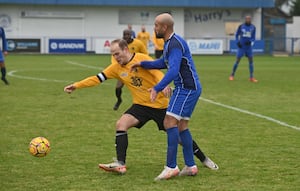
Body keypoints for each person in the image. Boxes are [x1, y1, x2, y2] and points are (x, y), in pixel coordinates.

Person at [64, 39, 218, 175]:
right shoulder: (115, 67)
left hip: (160, 106)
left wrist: (162, 86)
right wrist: (76, 85)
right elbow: (97, 78)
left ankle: (204, 159)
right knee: (121, 124)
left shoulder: (141, 59)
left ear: (126, 49)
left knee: (179, 137)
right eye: (112, 54)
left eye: (117, 53)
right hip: (140, 106)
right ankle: (120, 164)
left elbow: (157, 73)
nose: (115, 58)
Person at [132, 13, 204, 180]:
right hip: (187, 88)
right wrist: (142, 64)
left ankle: (171, 167)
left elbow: (172, 70)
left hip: (187, 89)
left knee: (169, 122)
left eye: (156, 25)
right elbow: (163, 63)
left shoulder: (175, 44)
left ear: (164, 27)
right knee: (181, 126)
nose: (154, 28)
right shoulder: (170, 43)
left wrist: (157, 88)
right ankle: (191, 166)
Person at [113, 29, 147, 111]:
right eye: (125, 35)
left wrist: (140, 64)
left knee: (140, 87)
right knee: (118, 87)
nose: (126, 36)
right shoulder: (120, 45)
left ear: (131, 35)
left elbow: (145, 54)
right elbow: (114, 57)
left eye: (128, 34)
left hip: (137, 70)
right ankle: (119, 100)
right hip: (124, 70)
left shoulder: (138, 43)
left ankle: (141, 104)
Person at [229, 15, 258, 83]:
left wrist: (251, 42)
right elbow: (236, 35)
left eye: (249, 18)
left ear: (251, 19)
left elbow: (253, 38)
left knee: (251, 60)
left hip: (248, 47)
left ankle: (251, 77)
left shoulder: (253, 27)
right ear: (245, 19)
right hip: (241, 47)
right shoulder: (241, 26)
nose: (248, 20)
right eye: (247, 18)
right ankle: (232, 75)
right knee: (237, 60)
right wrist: (237, 42)